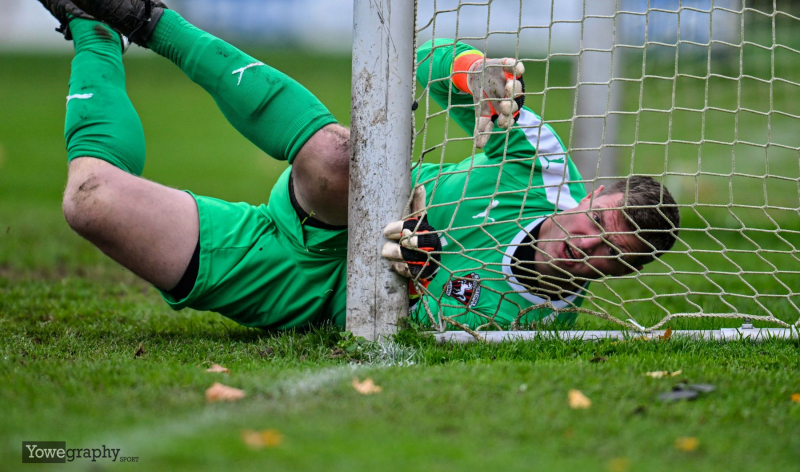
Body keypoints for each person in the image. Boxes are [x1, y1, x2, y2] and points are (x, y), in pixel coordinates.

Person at [36, 0, 679, 332]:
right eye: (595, 220)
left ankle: (93, 28)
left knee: (90, 201)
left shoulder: (539, 324)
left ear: (620, 273)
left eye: (607, 252)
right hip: (339, 202)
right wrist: (473, 74)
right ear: (590, 195)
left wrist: (417, 272)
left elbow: (431, 328)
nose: (584, 244)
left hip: (303, 287)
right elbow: (425, 61)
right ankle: (148, 19)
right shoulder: (539, 168)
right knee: (341, 155)